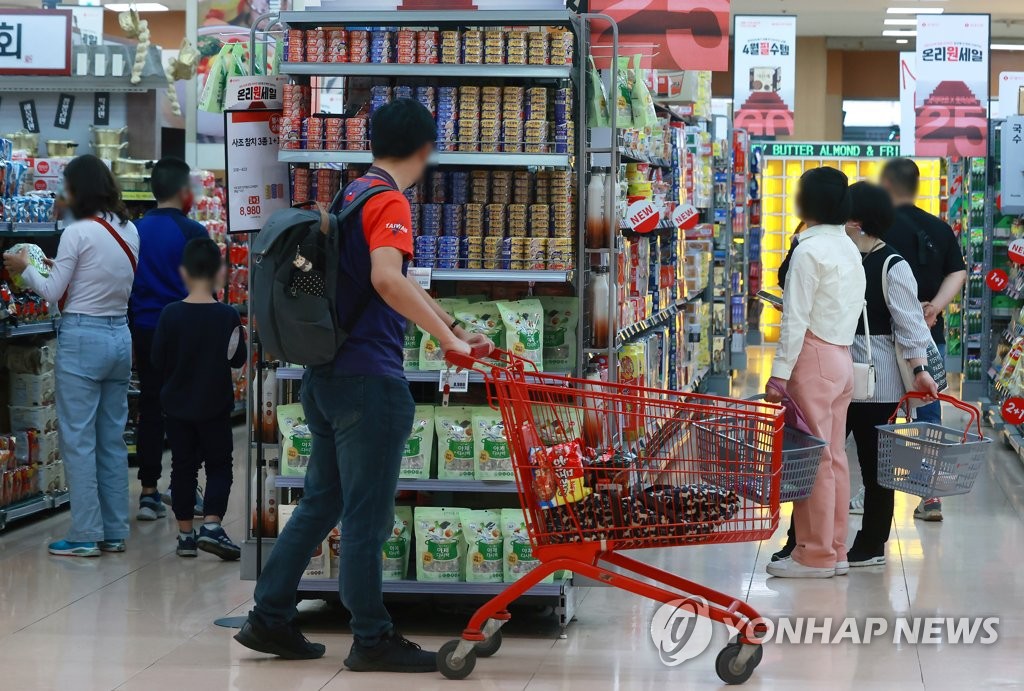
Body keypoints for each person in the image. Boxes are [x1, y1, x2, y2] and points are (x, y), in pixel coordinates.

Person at [234, 98, 492, 671]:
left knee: (320, 502)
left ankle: (269, 615)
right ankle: (371, 637)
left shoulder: (352, 191)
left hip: (327, 377)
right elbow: (386, 278)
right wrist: (448, 343)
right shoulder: (391, 200)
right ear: (426, 149)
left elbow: (383, 282)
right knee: (367, 519)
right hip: (368, 384)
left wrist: (452, 326)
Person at [3, 155, 138, 557]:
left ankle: (84, 534)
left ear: (79, 191)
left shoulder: (78, 232)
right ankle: (114, 531)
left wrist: (24, 266)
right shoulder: (129, 230)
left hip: (83, 338)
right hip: (120, 336)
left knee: (78, 440)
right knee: (110, 440)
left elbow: (51, 290)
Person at [764, 167, 865, 579]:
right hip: (841, 357)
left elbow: (794, 320)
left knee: (813, 460)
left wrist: (779, 373)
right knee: (835, 458)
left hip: (813, 357)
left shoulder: (807, 251)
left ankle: (815, 554)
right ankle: (836, 549)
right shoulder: (848, 248)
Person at [844, 181, 938, 566]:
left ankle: (871, 544)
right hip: (840, 372)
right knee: (825, 460)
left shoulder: (891, 264)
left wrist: (920, 371)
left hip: (878, 379)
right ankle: (805, 539)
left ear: (857, 220)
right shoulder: (845, 257)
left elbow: (910, 325)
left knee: (875, 465)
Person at [880, 158, 967, 522]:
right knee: (927, 412)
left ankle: (874, 489)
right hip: (930, 334)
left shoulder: (875, 227)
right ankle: (928, 493)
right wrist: (932, 308)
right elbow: (958, 271)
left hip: (883, 335)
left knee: (882, 412)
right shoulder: (939, 227)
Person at [151, 237, 246, 560]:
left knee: (182, 468)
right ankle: (213, 526)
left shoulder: (169, 315)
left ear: (184, 273)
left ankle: (185, 535)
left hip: (177, 407)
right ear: (219, 272)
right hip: (215, 406)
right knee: (220, 466)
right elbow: (237, 358)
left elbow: (156, 360)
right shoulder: (228, 316)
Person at [130, 157, 209, 522]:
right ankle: (184, 487)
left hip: (144, 328)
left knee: (150, 405)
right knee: (186, 409)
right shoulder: (193, 232)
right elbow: (205, 287)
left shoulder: (134, 230)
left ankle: (148, 492)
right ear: (183, 191)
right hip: (185, 328)